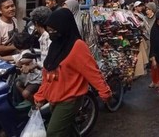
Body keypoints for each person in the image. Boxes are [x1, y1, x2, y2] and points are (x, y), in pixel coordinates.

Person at [34, 8, 111, 137]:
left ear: (64, 28)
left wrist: (104, 92)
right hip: (55, 97)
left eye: (54, 30)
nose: (51, 33)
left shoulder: (77, 46)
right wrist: (40, 95)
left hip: (70, 99)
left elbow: (92, 71)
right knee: (68, 131)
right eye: (49, 30)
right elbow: (47, 74)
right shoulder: (55, 45)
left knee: (53, 133)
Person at [12, 32, 42, 103]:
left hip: (36, 79)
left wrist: (21, 62)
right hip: (28, 79)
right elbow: (13, 57)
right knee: (18, 84)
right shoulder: (22, 52)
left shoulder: (26, 53)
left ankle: (35, 103)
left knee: (25, 93)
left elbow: (28, 59)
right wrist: (0, 57)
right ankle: (29, 100)